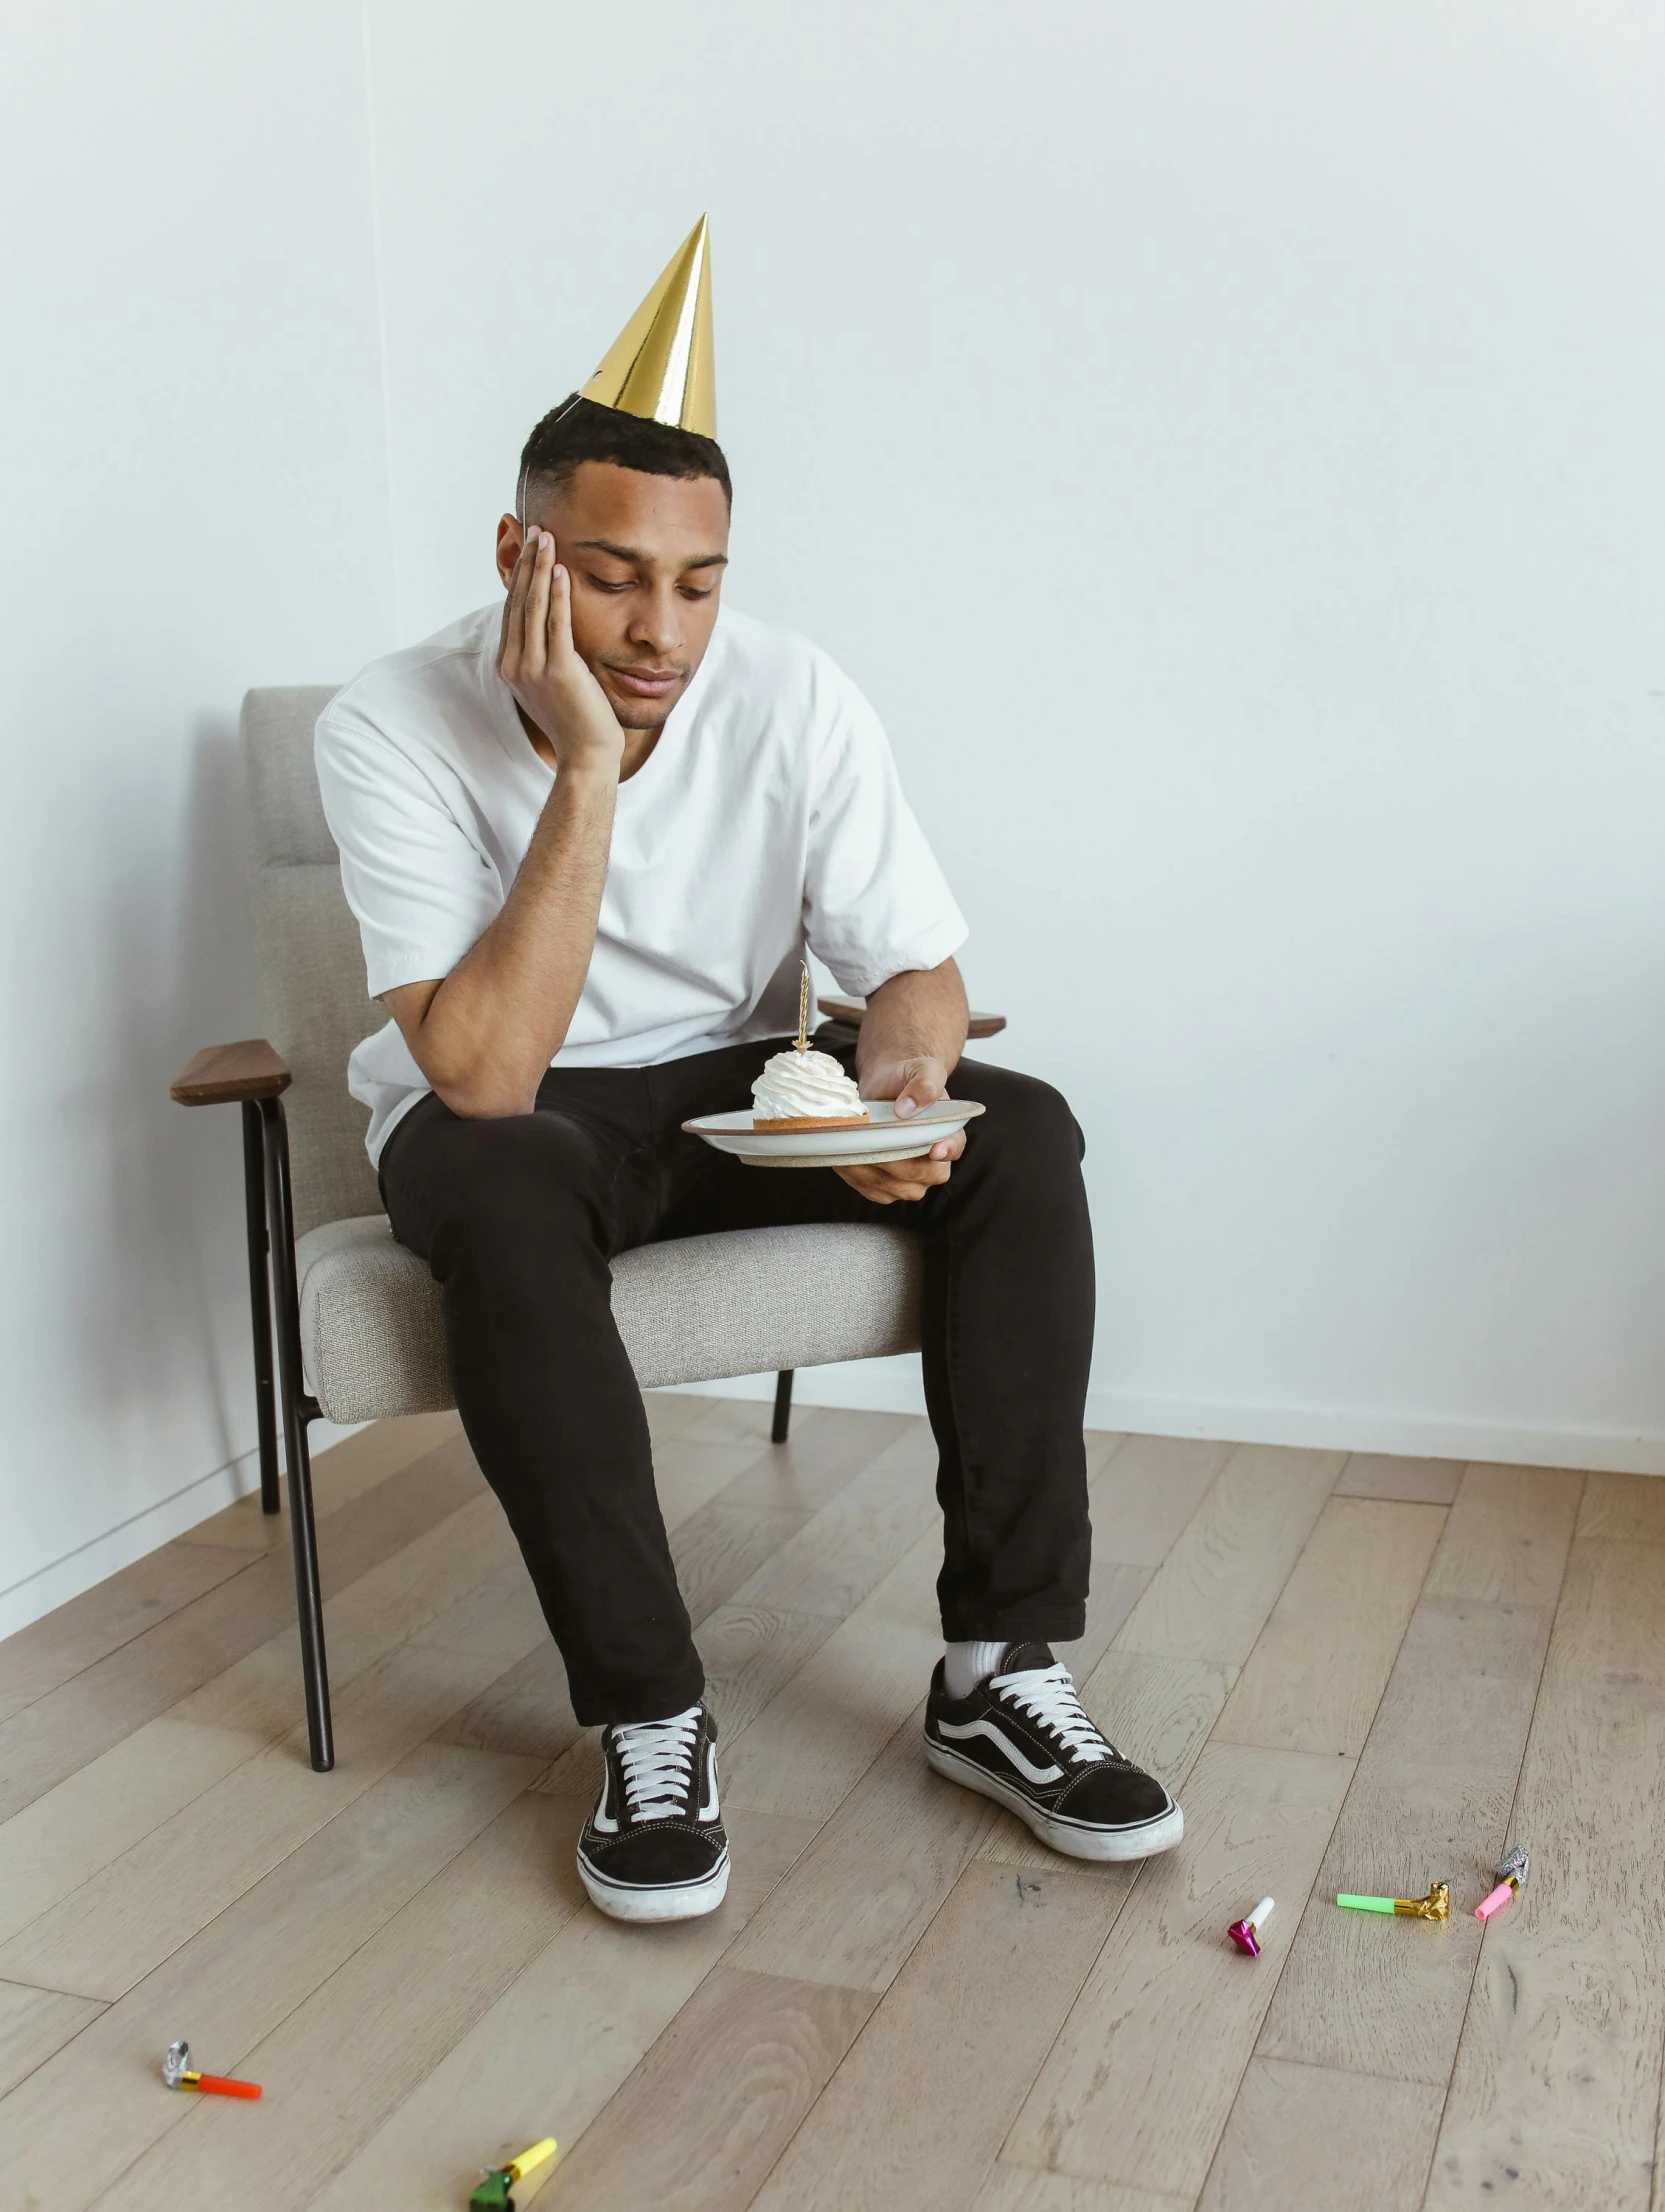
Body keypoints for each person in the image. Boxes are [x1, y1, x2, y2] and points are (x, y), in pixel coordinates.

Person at [315, 221, 1182, 1924]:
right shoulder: (390, 722)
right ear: (519, 553)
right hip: (516, 1117)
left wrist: (901, 1086)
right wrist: (584, 765)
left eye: (697, 583)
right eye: (613, 574)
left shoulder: (797, 696)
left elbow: (917, 975)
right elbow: (485, 1075)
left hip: (730, 1090)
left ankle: (1000, 1671)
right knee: (496, 1171)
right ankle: (652, 1713)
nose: (660, 632)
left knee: (1030, 1131)